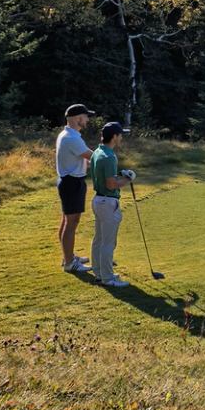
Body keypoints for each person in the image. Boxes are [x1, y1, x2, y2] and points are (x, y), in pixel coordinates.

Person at [89, 121, 131, 288]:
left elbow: (108, 177)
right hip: (108, 202)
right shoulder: (109, 156)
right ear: (114, 137)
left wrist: (121, 174)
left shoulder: (98, 152)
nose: (121, 138)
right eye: (120, 135)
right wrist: (128, 180)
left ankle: (99, 273)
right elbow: (111, 184)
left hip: (98, 200)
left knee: (99, 239)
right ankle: (108, 279)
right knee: (108, 242)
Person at [55, 104, 94, 273]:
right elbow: (91, 155)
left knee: (67, 221)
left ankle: (68, 256)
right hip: (72, 183)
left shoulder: (71, 135)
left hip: (71, 181)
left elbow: (83, 157)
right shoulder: (71, 138)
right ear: (78, 118)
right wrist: (106, 157)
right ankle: (70, 262)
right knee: (71, 222)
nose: (87, 120)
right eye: (86, 117)